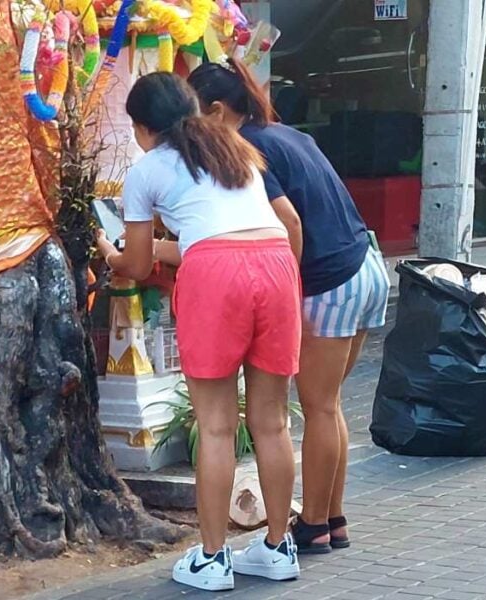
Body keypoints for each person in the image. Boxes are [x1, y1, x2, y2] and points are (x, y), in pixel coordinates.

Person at [95, 72, 301, 591]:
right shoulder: (234, 149)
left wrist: (107, 251)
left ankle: (212, 560)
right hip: (276, 264)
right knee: (272, 422)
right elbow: (221, 228)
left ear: (143, 128)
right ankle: (279, 547)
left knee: (215, 426)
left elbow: (139, 266)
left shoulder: (147, 170)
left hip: (216, 276)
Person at [188, 59, 391, 555]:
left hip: (327, 280)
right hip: (366, 266)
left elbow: (289, 222)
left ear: (215, 111)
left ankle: (314, 525)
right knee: (329, 405)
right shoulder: (287, 134)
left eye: (191, 117)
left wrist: (286, 291)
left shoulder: (249, 148)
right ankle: (331, 519)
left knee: (319, 407)